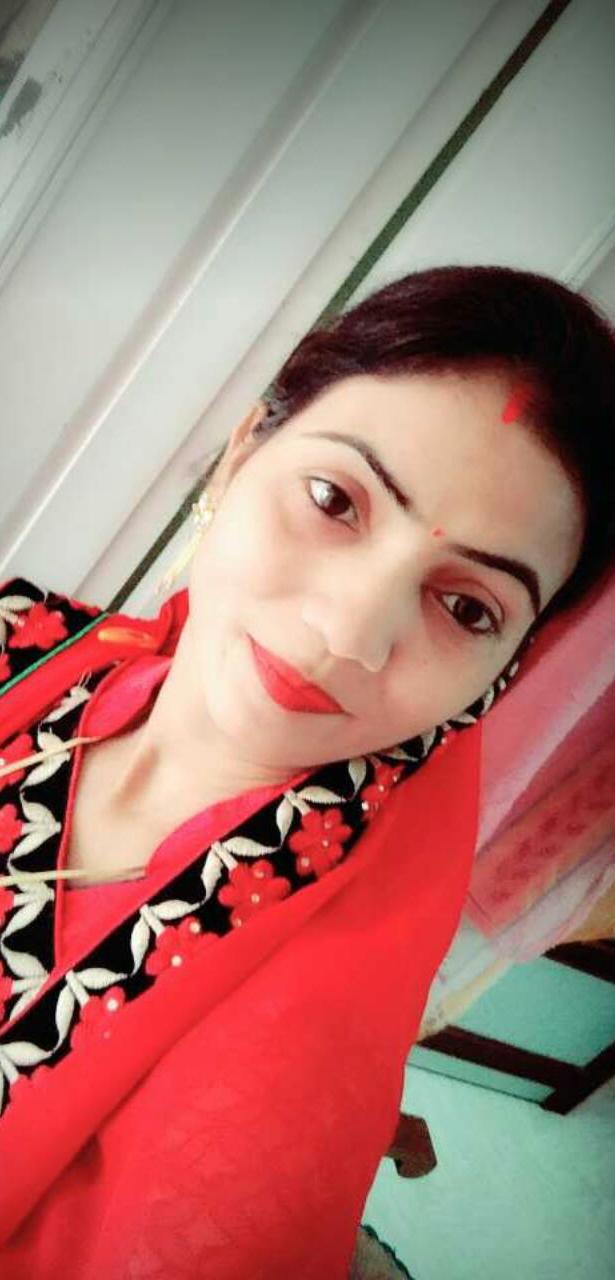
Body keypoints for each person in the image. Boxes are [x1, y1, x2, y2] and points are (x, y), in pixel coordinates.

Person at [0, 264, 613, 1279]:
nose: (349, 631)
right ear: (242, 451)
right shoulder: (35, 645)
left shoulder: (301, 1029)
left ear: (506, 666)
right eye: (335, 500)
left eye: (467, 607)